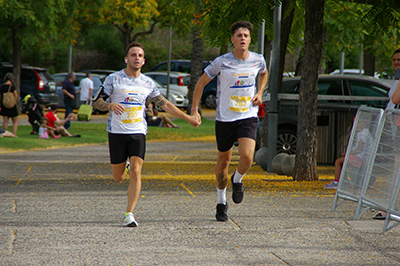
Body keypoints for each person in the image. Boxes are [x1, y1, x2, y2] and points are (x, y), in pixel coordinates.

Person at [93, 41, 200, 227]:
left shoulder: (148, 83)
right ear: (126, 59)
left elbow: (164, 104)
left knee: (136, 171)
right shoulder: (114, 79)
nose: (136, 58)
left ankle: (129, 214)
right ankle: (124, 166)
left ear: (144, 61)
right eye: (133, 55)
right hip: (117, 132)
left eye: (140, 56)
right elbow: (97, 102)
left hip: (138, 132)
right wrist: (109, 105)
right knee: (118, 178)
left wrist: (187, 118)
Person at [191, 21, 268, 221]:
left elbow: (264, 73)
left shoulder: (258, 60)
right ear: (232, 39)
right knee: (223, 161)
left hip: (247, 116)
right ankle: (221, 202)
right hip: (225, 119)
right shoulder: (221, 62)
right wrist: (194, 109)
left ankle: (238, 179)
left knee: (247, 157)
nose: (243, 38)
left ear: (250, 40)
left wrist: (260, 92)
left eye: (246, 35)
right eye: (239, 35)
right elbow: (201, 83)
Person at [372, 48, 400, 219]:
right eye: (394, 60)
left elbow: (395, 99)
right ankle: (392, 205)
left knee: (397, 168)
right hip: (394, 125)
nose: (397, 63)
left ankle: (392, 207)